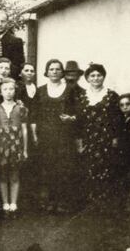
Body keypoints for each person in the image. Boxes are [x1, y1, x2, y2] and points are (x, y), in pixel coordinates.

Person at [31, 59, 77, 213]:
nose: (55, 72)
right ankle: (49, 201)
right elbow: (34, 114)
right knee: (48, 167)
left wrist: (71, 118)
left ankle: (63, 202)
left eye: (58, 69)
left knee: (64, 168)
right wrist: (35, 135)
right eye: (51, 69)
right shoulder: (41, 90)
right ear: (47, 72)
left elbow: (77, 111)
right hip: (46, 134)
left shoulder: (71, 89)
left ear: (62, 72)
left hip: (64, 134)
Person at [76, 63, 123, 208]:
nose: (96, 78)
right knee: (88, 167)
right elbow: (78, 121)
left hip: (106, 138)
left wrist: (115, 138)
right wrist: (79, 142)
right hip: (88, 138)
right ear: (87, 78)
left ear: (103, 77)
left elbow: (118, 119)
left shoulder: (111, 96)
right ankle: (90, 202)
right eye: (92, 76)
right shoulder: (82, 96)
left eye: (99, 75)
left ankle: (104, 202)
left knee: (106, 167)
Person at [0, 78, 28, 216]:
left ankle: (14, 203)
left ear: (15, 90)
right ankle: (5, 203)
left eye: (11, 89)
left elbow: (25, 129)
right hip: (1, 145)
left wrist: (25, 149)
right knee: (2, 175)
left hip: (16, 144)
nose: (8, 92)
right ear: (0, 91)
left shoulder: (21, 108)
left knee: (14, 175)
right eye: (5, 89)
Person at [0, 10, 25, 79]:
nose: (0, 24)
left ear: (7, 23)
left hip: (9, 78)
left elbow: (19, 64)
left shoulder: (16, 41)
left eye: (2, 21)